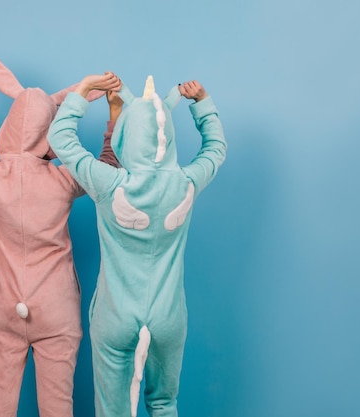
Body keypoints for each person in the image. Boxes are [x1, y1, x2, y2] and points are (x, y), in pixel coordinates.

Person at [0, 37, 121, 417]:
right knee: (57, 408)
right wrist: (112, 117)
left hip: (3, 308)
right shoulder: (64, 180)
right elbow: (108, 170)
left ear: (10, 125)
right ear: (47, 132)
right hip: (57, 309)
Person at [48, 74, 227, 417]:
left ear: (127, 136)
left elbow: (61, 138)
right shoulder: (186, 182)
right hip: (168, 317)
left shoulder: (108, 182)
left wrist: (83, 91)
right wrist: (203, 103)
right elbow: (216, 150)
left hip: (116, 316)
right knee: (163, 404)